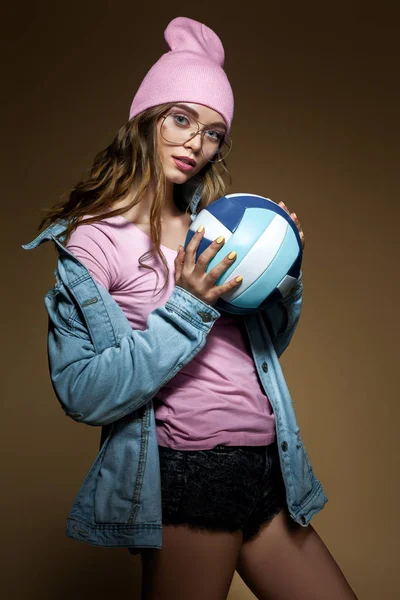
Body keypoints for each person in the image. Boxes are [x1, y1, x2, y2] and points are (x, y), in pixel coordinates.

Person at [23, 16, 359, 600]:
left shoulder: (217, 228)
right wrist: (188, 303)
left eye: (213, 133)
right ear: (146, 118)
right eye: (182, 119)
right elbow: (81, 389)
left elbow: (256, 351)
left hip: (269, 465)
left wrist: (283, 273)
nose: (195, 144)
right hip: (193, 471)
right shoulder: (95, 239)